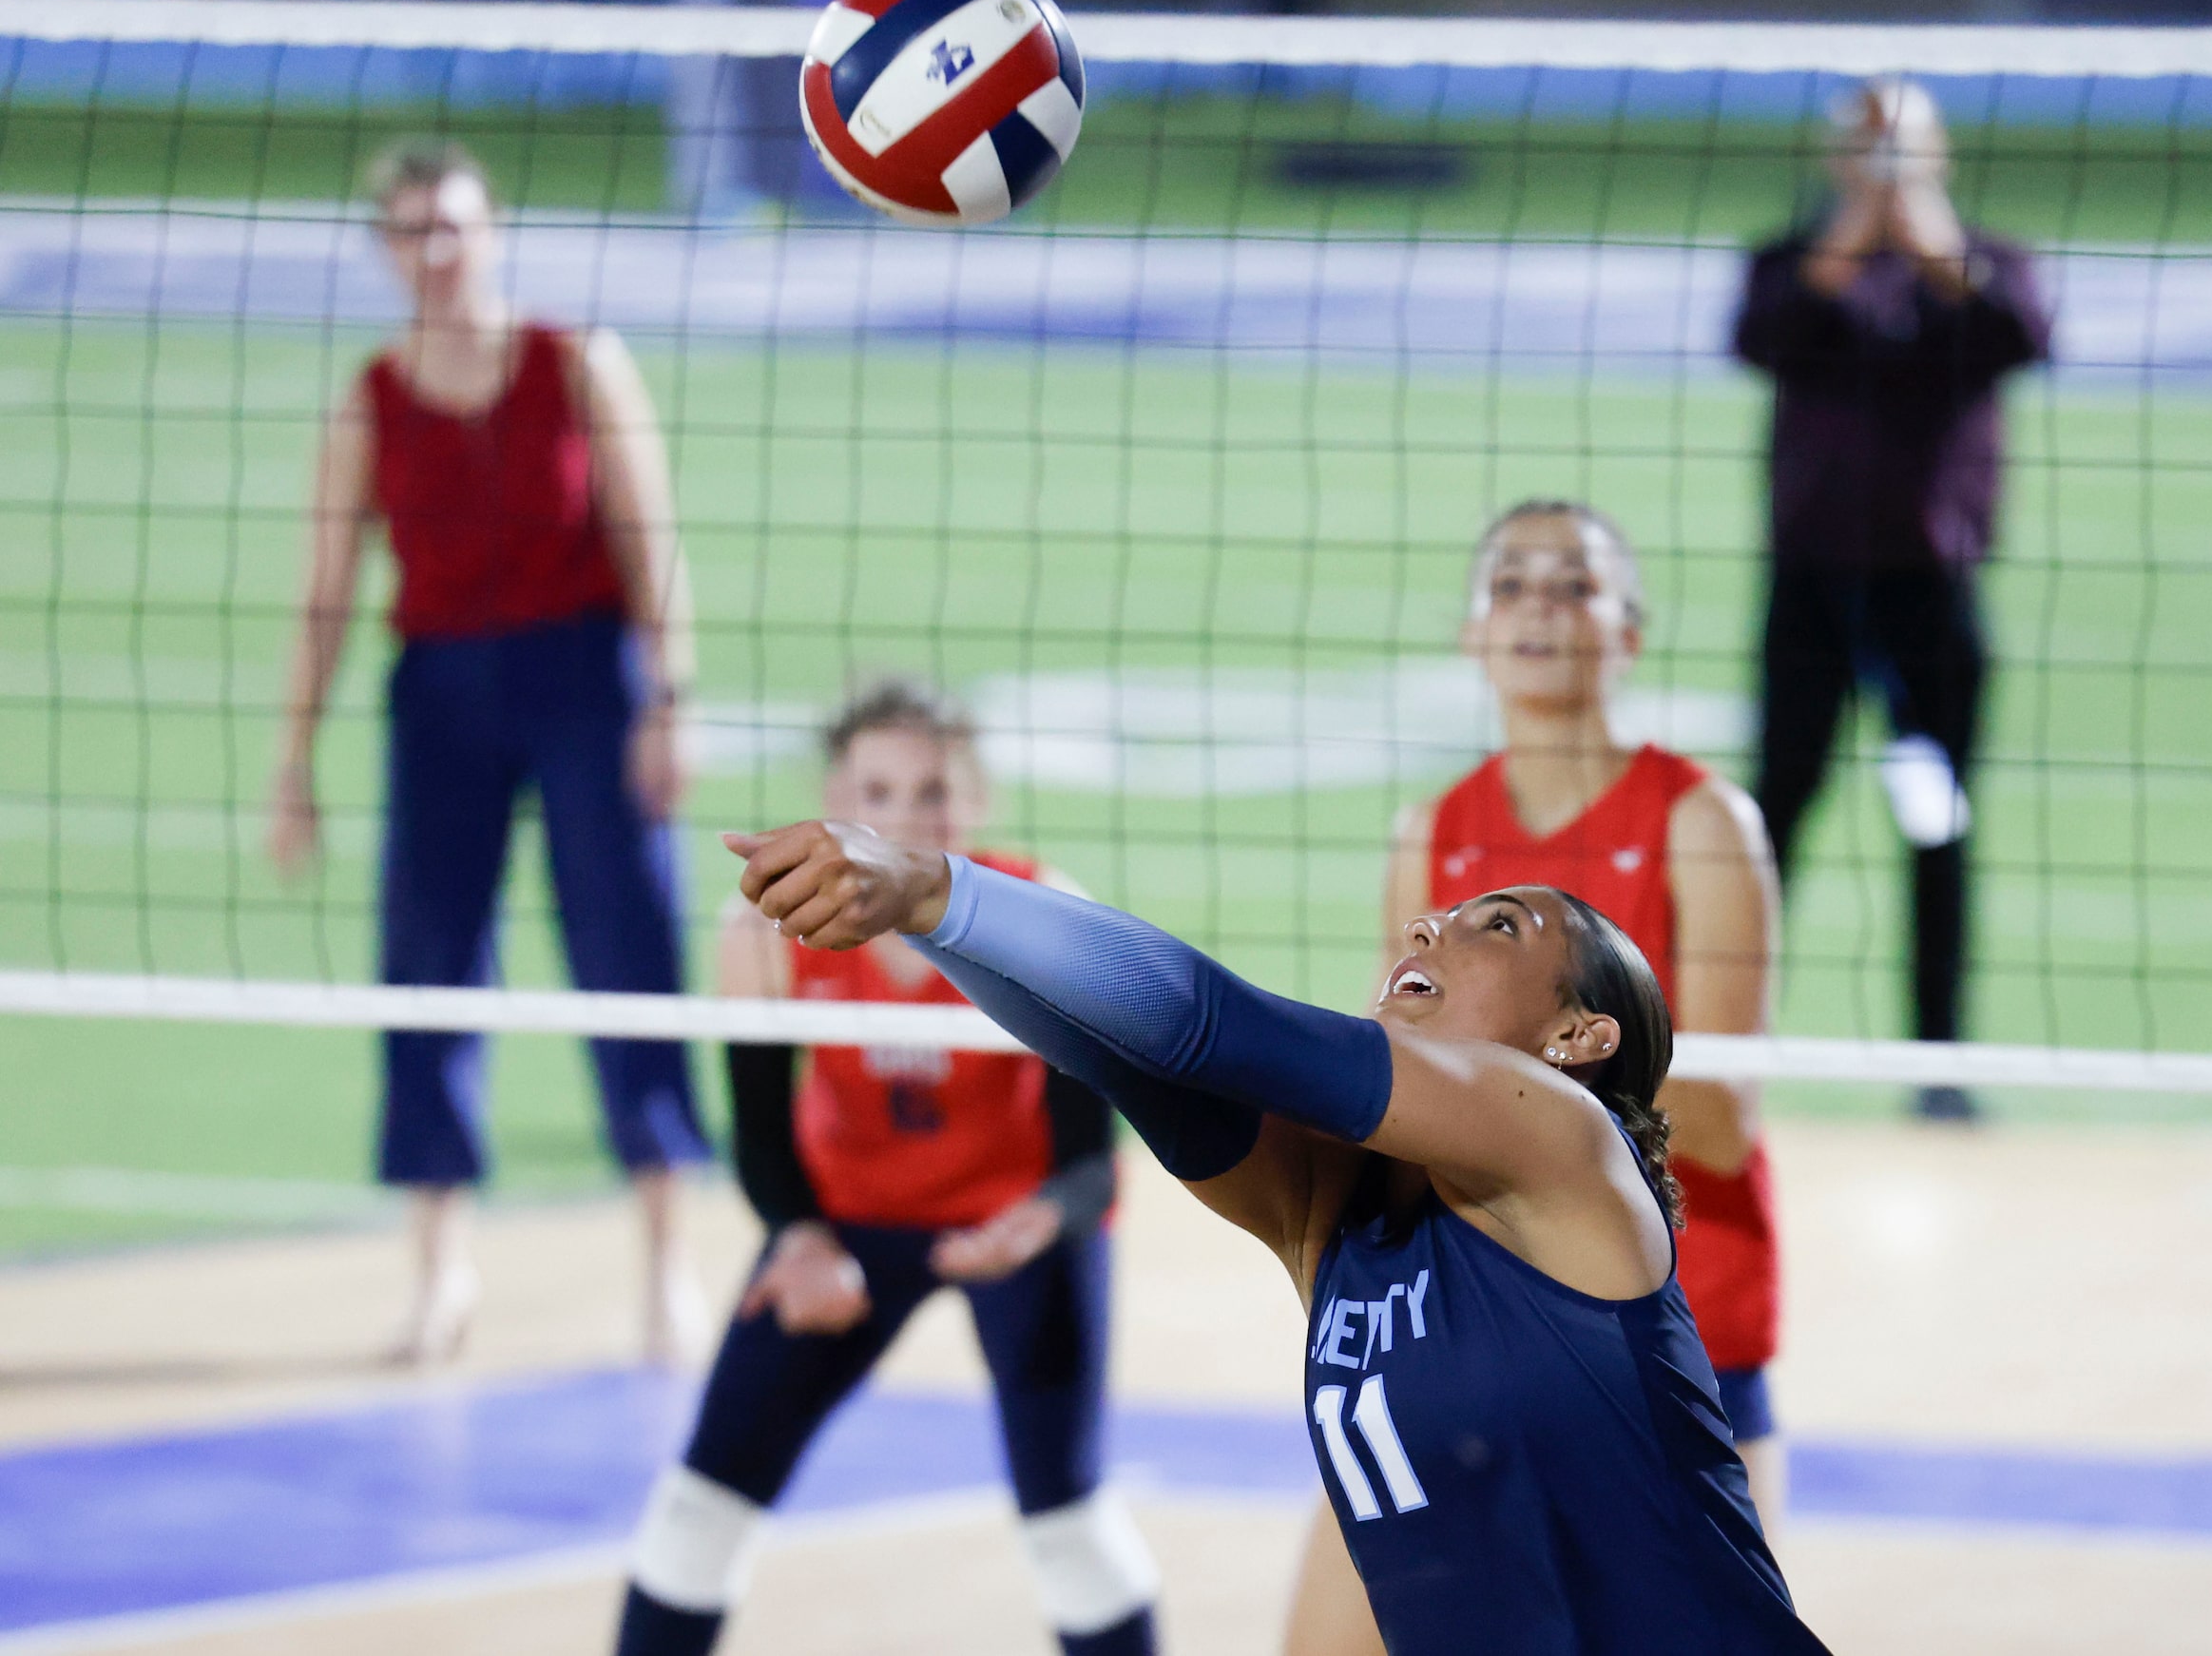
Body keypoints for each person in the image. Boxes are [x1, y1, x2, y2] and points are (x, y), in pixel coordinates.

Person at [721, 846, 1837, 1656]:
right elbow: (1126, 1054)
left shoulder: (1564, 1143)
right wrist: (915, 920)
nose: (1427, 928)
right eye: (1437, 914)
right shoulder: (1327, 1220)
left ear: (1574, 1038)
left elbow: (1210, 1022)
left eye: (1496, 925)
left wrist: (932, 885)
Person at [1282, 500, 1788, 1656]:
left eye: (1574, 585)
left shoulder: (1700, 821)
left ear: (1629, 633)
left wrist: (1504, 1107)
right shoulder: (1434, 832)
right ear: (1471, 633)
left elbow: (1714, 1122)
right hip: (1447, 1334)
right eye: (1510, 584)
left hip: (1663, 1340)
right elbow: (1386, 1086)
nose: (1539, 608)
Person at [268, 140, 708, 1364]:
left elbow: (649, 534)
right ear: (383, 250)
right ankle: (440, 1272)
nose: (436, 252)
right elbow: (323, 596)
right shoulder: (371, 399)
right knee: (427, 965)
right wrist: (292, 761)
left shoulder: (575, 363)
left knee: (627, 951)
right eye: (410, 231)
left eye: (453, 225)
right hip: (442, 693)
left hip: (583, 676)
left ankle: (669, 1265)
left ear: (494, 230)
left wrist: (670, 696)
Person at [616, 680, 1161, 1656]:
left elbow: (1089, 1159)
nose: (905, 819)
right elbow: (758, 1134)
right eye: (877, 791)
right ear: (834, 798)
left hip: (1011, 1227)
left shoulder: (1044, 916)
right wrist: (798, 1235)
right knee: (694, 1516)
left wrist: (1041, 1223)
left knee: (1070, 1533)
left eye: (932, 792)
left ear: (978, 799)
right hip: (848, 1223)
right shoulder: (762, 929)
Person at [1732, 76, 2052, 1122]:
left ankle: (1939, 1064)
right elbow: (1761, 336)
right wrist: (1854, 229)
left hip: (1929, 601)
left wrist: (1920, 230)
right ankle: (1722, 1057)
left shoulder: (1984, 267)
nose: (1879, 172)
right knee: (1772, 818)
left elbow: (2019, 335)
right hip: (1810, 594)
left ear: (1940, 156)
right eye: (1862, 153)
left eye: (1900, 152)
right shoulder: (1790, 265)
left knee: (1934, 822)